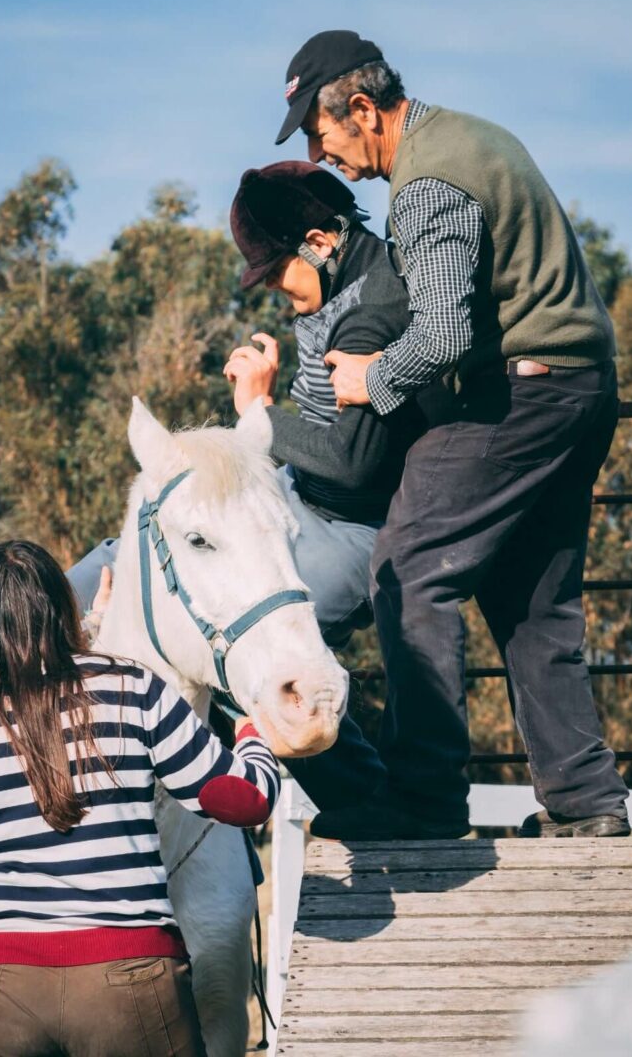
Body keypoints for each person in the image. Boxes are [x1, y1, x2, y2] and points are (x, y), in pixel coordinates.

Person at [274, 30, 630, 839]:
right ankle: (586, 802)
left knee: (406, 565)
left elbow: (437, 334)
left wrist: (372, 377)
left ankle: (423, 800)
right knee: (531, 598)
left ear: (361, 109)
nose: (320, 152)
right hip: (579, 388)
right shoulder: (470, 137)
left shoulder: (428, 180)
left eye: (318, 131)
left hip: (525, 393)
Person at [70, 161, 451, 811]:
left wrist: (257, 413)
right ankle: (1, 637)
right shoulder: (343, 289)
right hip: (299, 494)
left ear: (321, 242)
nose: (276, 287)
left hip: (362, 525)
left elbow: (355, 464)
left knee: (257, 639)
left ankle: (365, 803)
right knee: (115, 563)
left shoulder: (373, 315)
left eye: (277, 271)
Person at [0, 540, 280, 1057]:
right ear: (66, 606)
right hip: (132, 983)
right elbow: (242, 800)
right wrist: (252, 736)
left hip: (1, 993)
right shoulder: (133, 688)